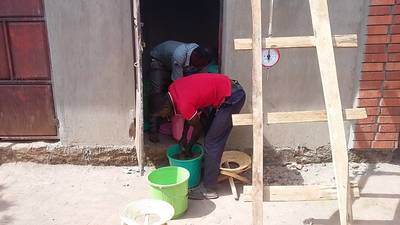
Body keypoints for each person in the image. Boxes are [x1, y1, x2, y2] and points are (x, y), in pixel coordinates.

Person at [152, 74, 246, 199]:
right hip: (228, 90)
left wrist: (189, 147)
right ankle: (211, 171)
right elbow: (190, 114)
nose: (164, 117)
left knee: (212, 142)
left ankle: (211, 189)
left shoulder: (183, 103)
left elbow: (197, 127)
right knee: (211, 133)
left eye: (162, 114)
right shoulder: (174, 89)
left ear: (165, 106)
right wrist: (184, 137)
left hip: (232, 97)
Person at [149, 40, 211, 142]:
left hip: (175, 62)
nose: (200, 67)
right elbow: (178, 85)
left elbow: (201, 79)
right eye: (199, 64)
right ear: (195, 56)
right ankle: (153, 131)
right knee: (157, 95)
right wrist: (185, 107)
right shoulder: (179, 55)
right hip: (159, 61)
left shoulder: (202, 58)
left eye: (203, 65)